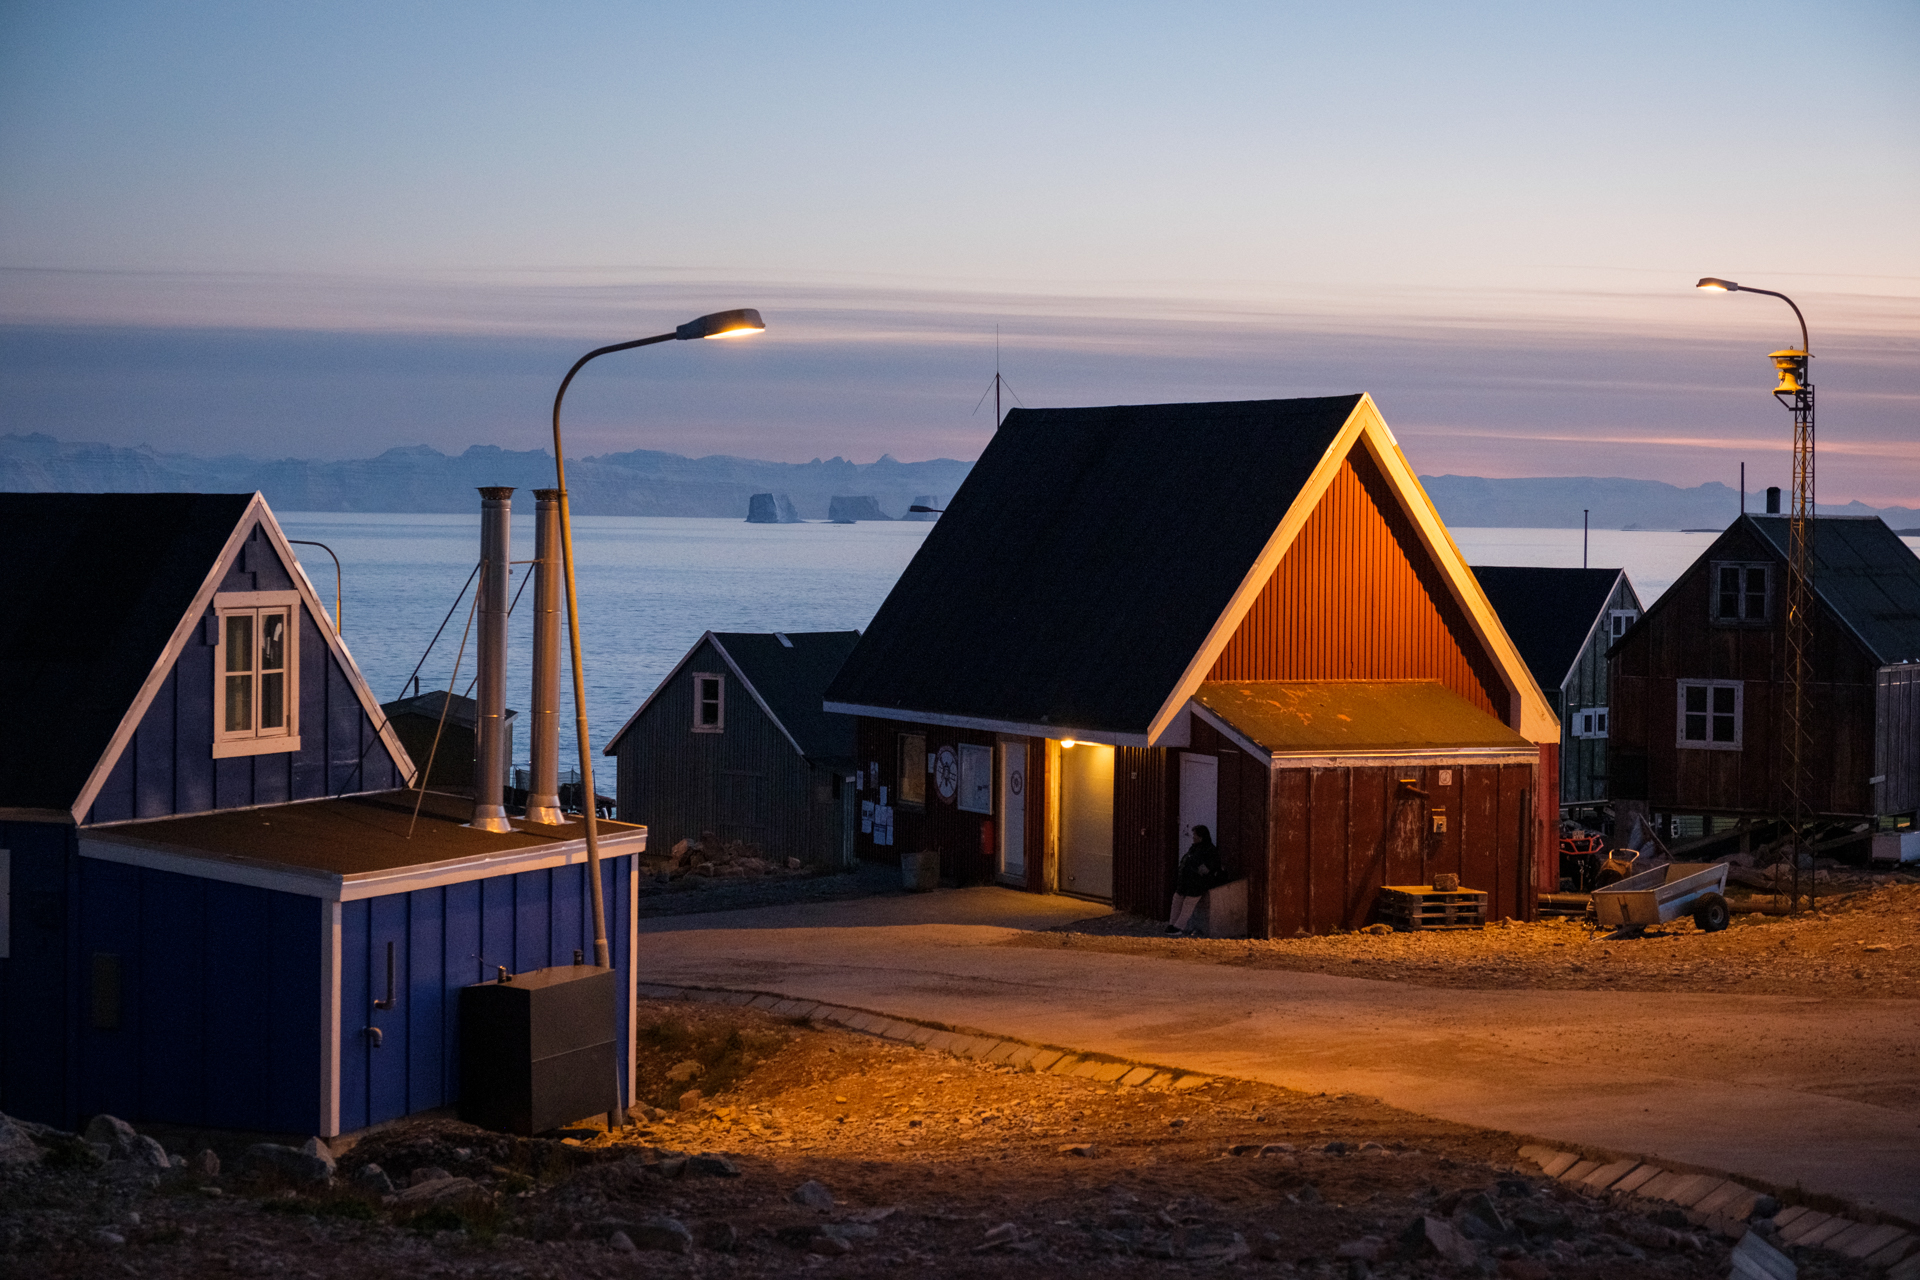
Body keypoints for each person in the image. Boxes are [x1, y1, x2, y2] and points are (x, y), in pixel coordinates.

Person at [1166, 824, 1222, 935]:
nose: (1193, 837)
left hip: (1197, 884)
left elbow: (1207, 868)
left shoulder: (1209, 850)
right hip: (1186, 882)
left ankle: (1178, 927)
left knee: (1188, 904)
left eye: (1195, 835)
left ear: (1201, 836)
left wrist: (1198, 872)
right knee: (1177, 899)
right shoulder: (1194, 848)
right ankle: (1172, 924)